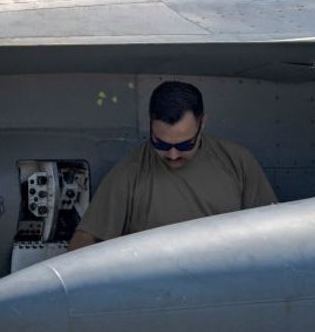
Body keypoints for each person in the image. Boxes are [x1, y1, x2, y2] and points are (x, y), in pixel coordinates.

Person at [69, 81, 277, 251]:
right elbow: (84, 243)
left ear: (202, 123)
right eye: (161, 144)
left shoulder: (236, 162)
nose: (173, 154)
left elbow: (272, 232)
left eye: (185, 144)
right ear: (150, 126)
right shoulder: (129, 174)